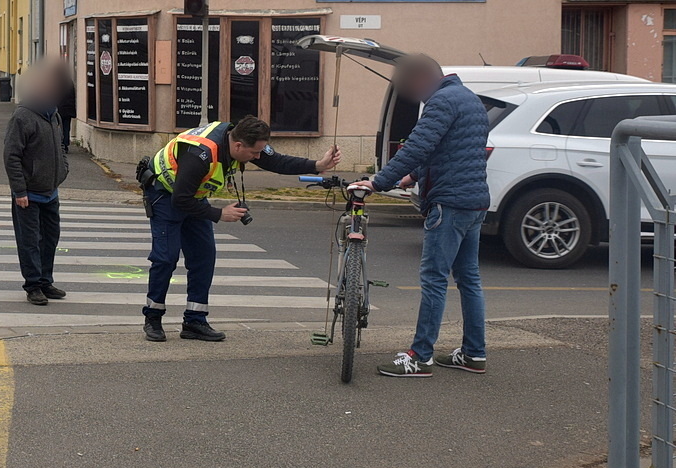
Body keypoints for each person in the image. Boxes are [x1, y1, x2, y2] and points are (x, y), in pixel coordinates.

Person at [349, 54, 490, 378]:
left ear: (422, 78)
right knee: (469, 280)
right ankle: (473, 353)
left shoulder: (441, 102)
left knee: (434, 280)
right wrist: (412, 176)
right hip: (474, 202)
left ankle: (420, 356)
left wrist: (378, 182)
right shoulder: (470, 99)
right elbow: (450, 148)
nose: (411, 94)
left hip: (449, 203)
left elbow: (417, 146)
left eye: (408, 86)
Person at [141, 116, 340, 342]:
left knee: (203, 257)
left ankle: (194, 321)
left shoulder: (243, 140)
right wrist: (219, 214)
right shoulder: (200, 155)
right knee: (166, 258)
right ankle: (153, 318)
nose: (258, 157)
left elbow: (277, 162)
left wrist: (318, 165)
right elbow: (180, 200)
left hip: (193, 196)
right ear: (238, 146)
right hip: (165, 195)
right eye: (254, 153)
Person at [3, 68, 70, 307]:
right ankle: (33, 286)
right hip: (28, 194)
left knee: (50, 239)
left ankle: (45, 281)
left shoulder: (54, 115)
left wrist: (63, 170)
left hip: (51, 192)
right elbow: (11, 156)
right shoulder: (22, 117)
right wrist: (19, 190)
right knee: (30, 241)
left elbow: (61, 146)